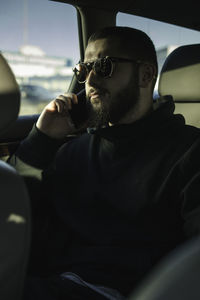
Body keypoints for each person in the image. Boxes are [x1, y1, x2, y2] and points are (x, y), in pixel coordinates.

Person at [9, 26, 200, 299]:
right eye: (84, 69)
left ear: (146, 75)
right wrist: (41, 139)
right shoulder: (72, 151)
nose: (90, 80)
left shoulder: (189, 152)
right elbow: (15, 211)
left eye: (104, 66)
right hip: (49, 280)